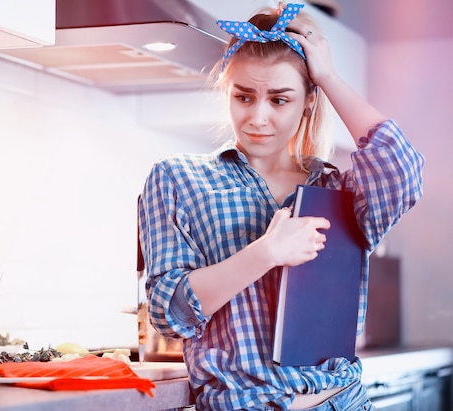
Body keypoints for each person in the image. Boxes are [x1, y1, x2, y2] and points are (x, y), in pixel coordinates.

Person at [138, 3, 425, 411]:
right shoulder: (178, 179)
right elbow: (170, 314)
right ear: (228, 91)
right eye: (244, 96)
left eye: (279, 99)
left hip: (345, 401)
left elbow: (402, 169)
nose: (258, 117)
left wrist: (328, 76)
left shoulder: (336, 190)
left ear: (309, 100)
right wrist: (266, 253)